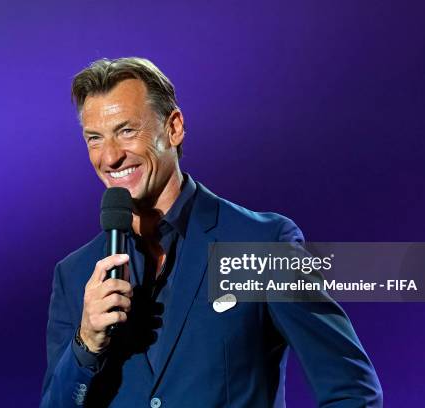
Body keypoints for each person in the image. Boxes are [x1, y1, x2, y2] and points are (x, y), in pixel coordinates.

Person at [40, 57, 382, 407]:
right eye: (94, 138)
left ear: (173, 128)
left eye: (127, 131)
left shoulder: (260, 244)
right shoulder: (75, 274)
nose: (110, 157)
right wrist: (86, 344)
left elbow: (351, 388)